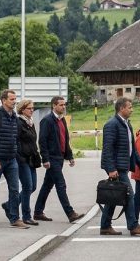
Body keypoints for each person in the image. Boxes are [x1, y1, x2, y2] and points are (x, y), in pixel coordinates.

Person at [99, 97, 140, 236]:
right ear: (121, 108)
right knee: (129, 195)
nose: (132, 109)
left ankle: (105, 226)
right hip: (116, 167)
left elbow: (131, 148)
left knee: (114, 195)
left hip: (123, 165)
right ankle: (133, 226)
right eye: (129, 107)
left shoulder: (127, 124)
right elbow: (107, 148)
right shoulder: (112, 124)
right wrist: (110, 168)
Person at [33, 96, 84, 224]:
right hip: (52, 158)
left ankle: (38, 212)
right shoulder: (47, 121)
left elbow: (65, 139)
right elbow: (42, 141)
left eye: (64, 104)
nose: (63, 107)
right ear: (54, 106)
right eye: (61, 105)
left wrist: (70, 156)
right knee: (61, 185)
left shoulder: (62, 120)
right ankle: (70, 213)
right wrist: (45, 159)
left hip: (60, 157)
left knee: (47, 186)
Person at [0, 90, 27, 228]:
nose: (14, 101)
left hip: (12, 159)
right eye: (11, 99)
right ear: (4, 100)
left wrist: (17, 153)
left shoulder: (14, 117)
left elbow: (16, 138)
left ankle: (15, 219)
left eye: (15, 98)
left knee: (15, 189)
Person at [16, 100, 41, 226]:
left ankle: (10, 204)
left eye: (33, 108)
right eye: (29, 108)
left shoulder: (30, 123)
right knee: (27, 187)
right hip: (22, 160)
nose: (32, 110)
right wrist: (20, 156)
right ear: (22, 110)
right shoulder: (19, 123)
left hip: (32, 159)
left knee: (33, 186)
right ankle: (26, 216)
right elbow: (16, 141)